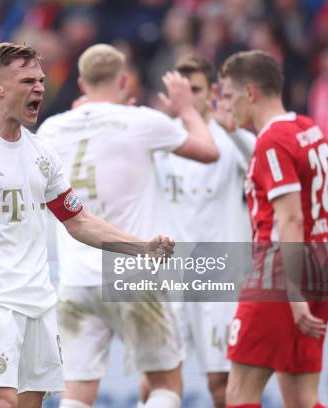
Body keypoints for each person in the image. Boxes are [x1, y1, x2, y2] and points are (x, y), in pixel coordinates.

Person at [0, 42, 175, 408]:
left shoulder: (42, 153)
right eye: (27, 81)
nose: (39, 88)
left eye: (41, 80)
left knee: (32, 401)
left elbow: (78, 220)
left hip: (38, 297)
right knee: (1, 400)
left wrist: (140, 247)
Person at [36, 44, 219, 408]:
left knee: (78, 391)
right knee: (166, 384)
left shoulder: (52, 129)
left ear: (80, 83)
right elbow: (209, 151)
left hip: (75, 278)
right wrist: (185, 110)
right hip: (132, 273)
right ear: (124, 80)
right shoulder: (142, 121)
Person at [220, 50, 328, 408]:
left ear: (250, 93)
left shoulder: (272, 142)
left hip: (281, 276)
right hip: (321, 268)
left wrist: (294, 295)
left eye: (229, 95)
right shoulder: (307, 128)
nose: (226, 104)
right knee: (302, 399)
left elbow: (291, 218)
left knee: (238, 395)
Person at [145, 55, 256, 408]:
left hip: (219, 276)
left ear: (211, 92)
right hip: (171, 275)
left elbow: (258, 157)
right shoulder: (163, 135)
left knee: (221, 384)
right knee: (156, 378)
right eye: (178, 91)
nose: (185, 99)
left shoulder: (228, 137)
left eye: (193, 90)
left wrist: (235, 129)